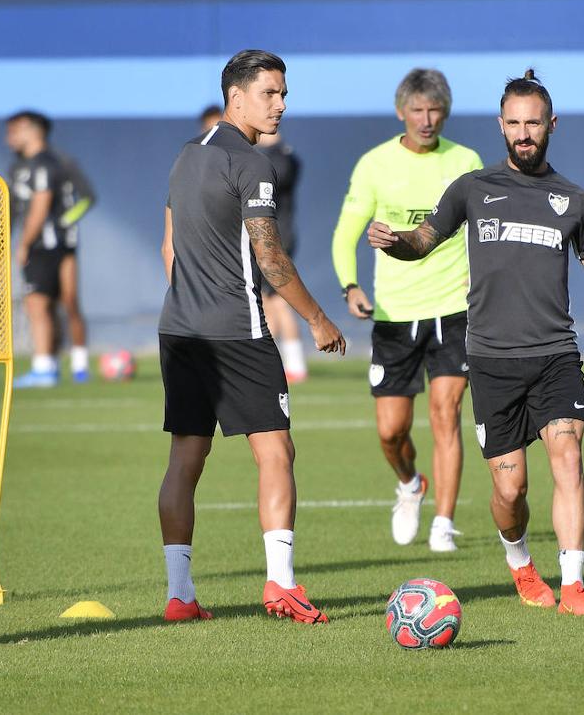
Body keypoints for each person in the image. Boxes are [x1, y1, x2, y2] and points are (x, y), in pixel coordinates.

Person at [368, 70, 584, 616]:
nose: (524, 132)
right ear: (501, 126)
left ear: (552, 125)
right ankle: (521, 563)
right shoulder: (473, 189)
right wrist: (395, 243)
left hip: (555, 355)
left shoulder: (574, 199)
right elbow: (423, 240)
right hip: (491, 362)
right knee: (510, 494)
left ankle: (575, 587)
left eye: (533, 123)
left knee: (569, 458)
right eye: (514, 123)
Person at [159, 50, 346, 624]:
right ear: (235, 98)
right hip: (237, 333)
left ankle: (180, 595)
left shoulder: (187, 156)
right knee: (276, 452)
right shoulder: (253, 163)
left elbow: (169, 250)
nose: (281, 105)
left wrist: (195, 299)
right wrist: (317, 319)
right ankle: (281, 585)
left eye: (284, 93)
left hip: (179, 330)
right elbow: (269, 255)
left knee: (186, 459)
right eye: (270, 93)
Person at [331, 69, 483, 552]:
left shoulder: (466, 160)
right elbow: (345, 232)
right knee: (391, 430)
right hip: (395, 314)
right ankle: (410, 484)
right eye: (417, 110)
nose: (426, 119)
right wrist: (350, 285)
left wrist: (480, 277)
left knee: (446, 412)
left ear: (446, 112)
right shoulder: (375, 164)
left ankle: (444, 522)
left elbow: (485, 229)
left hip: (454, 309)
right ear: (401, 112)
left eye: (434, 109)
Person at [203, 105, 308, 381]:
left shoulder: (278, 157)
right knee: (265, 300)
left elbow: (280, 176)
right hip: (262, 233)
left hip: (277, 234)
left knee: (280, 298)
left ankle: (296, 364)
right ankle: (272, 359)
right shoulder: (259, 155)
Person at [5, 111, 95, 386]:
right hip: (44, 241)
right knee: (52, 302)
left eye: (14, 131)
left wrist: (60, 224)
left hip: (52, 242)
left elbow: (86, 198)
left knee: (55, 302)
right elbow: (12, 209)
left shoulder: (56, 163)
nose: (9, 138)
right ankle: (51, 364)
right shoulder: (17, 168)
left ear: (32, 130)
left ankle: (63, 365)